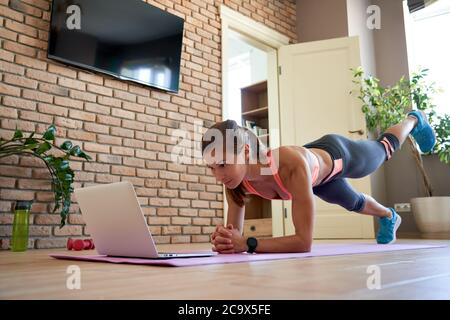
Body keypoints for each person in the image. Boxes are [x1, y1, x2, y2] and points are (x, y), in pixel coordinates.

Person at [201, 110, 436, 254]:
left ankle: (414, 119)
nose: (218, 176)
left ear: (244, 151)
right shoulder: (235, 181)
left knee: (383, 149)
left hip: (337, 155)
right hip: (317, 180)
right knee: (354, 203)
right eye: (212, 168)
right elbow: (236, 237)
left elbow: (304, 242)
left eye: (222, 164)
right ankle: (389, 216)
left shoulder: (290, 165)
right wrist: (227, 240)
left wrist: (248, 244)